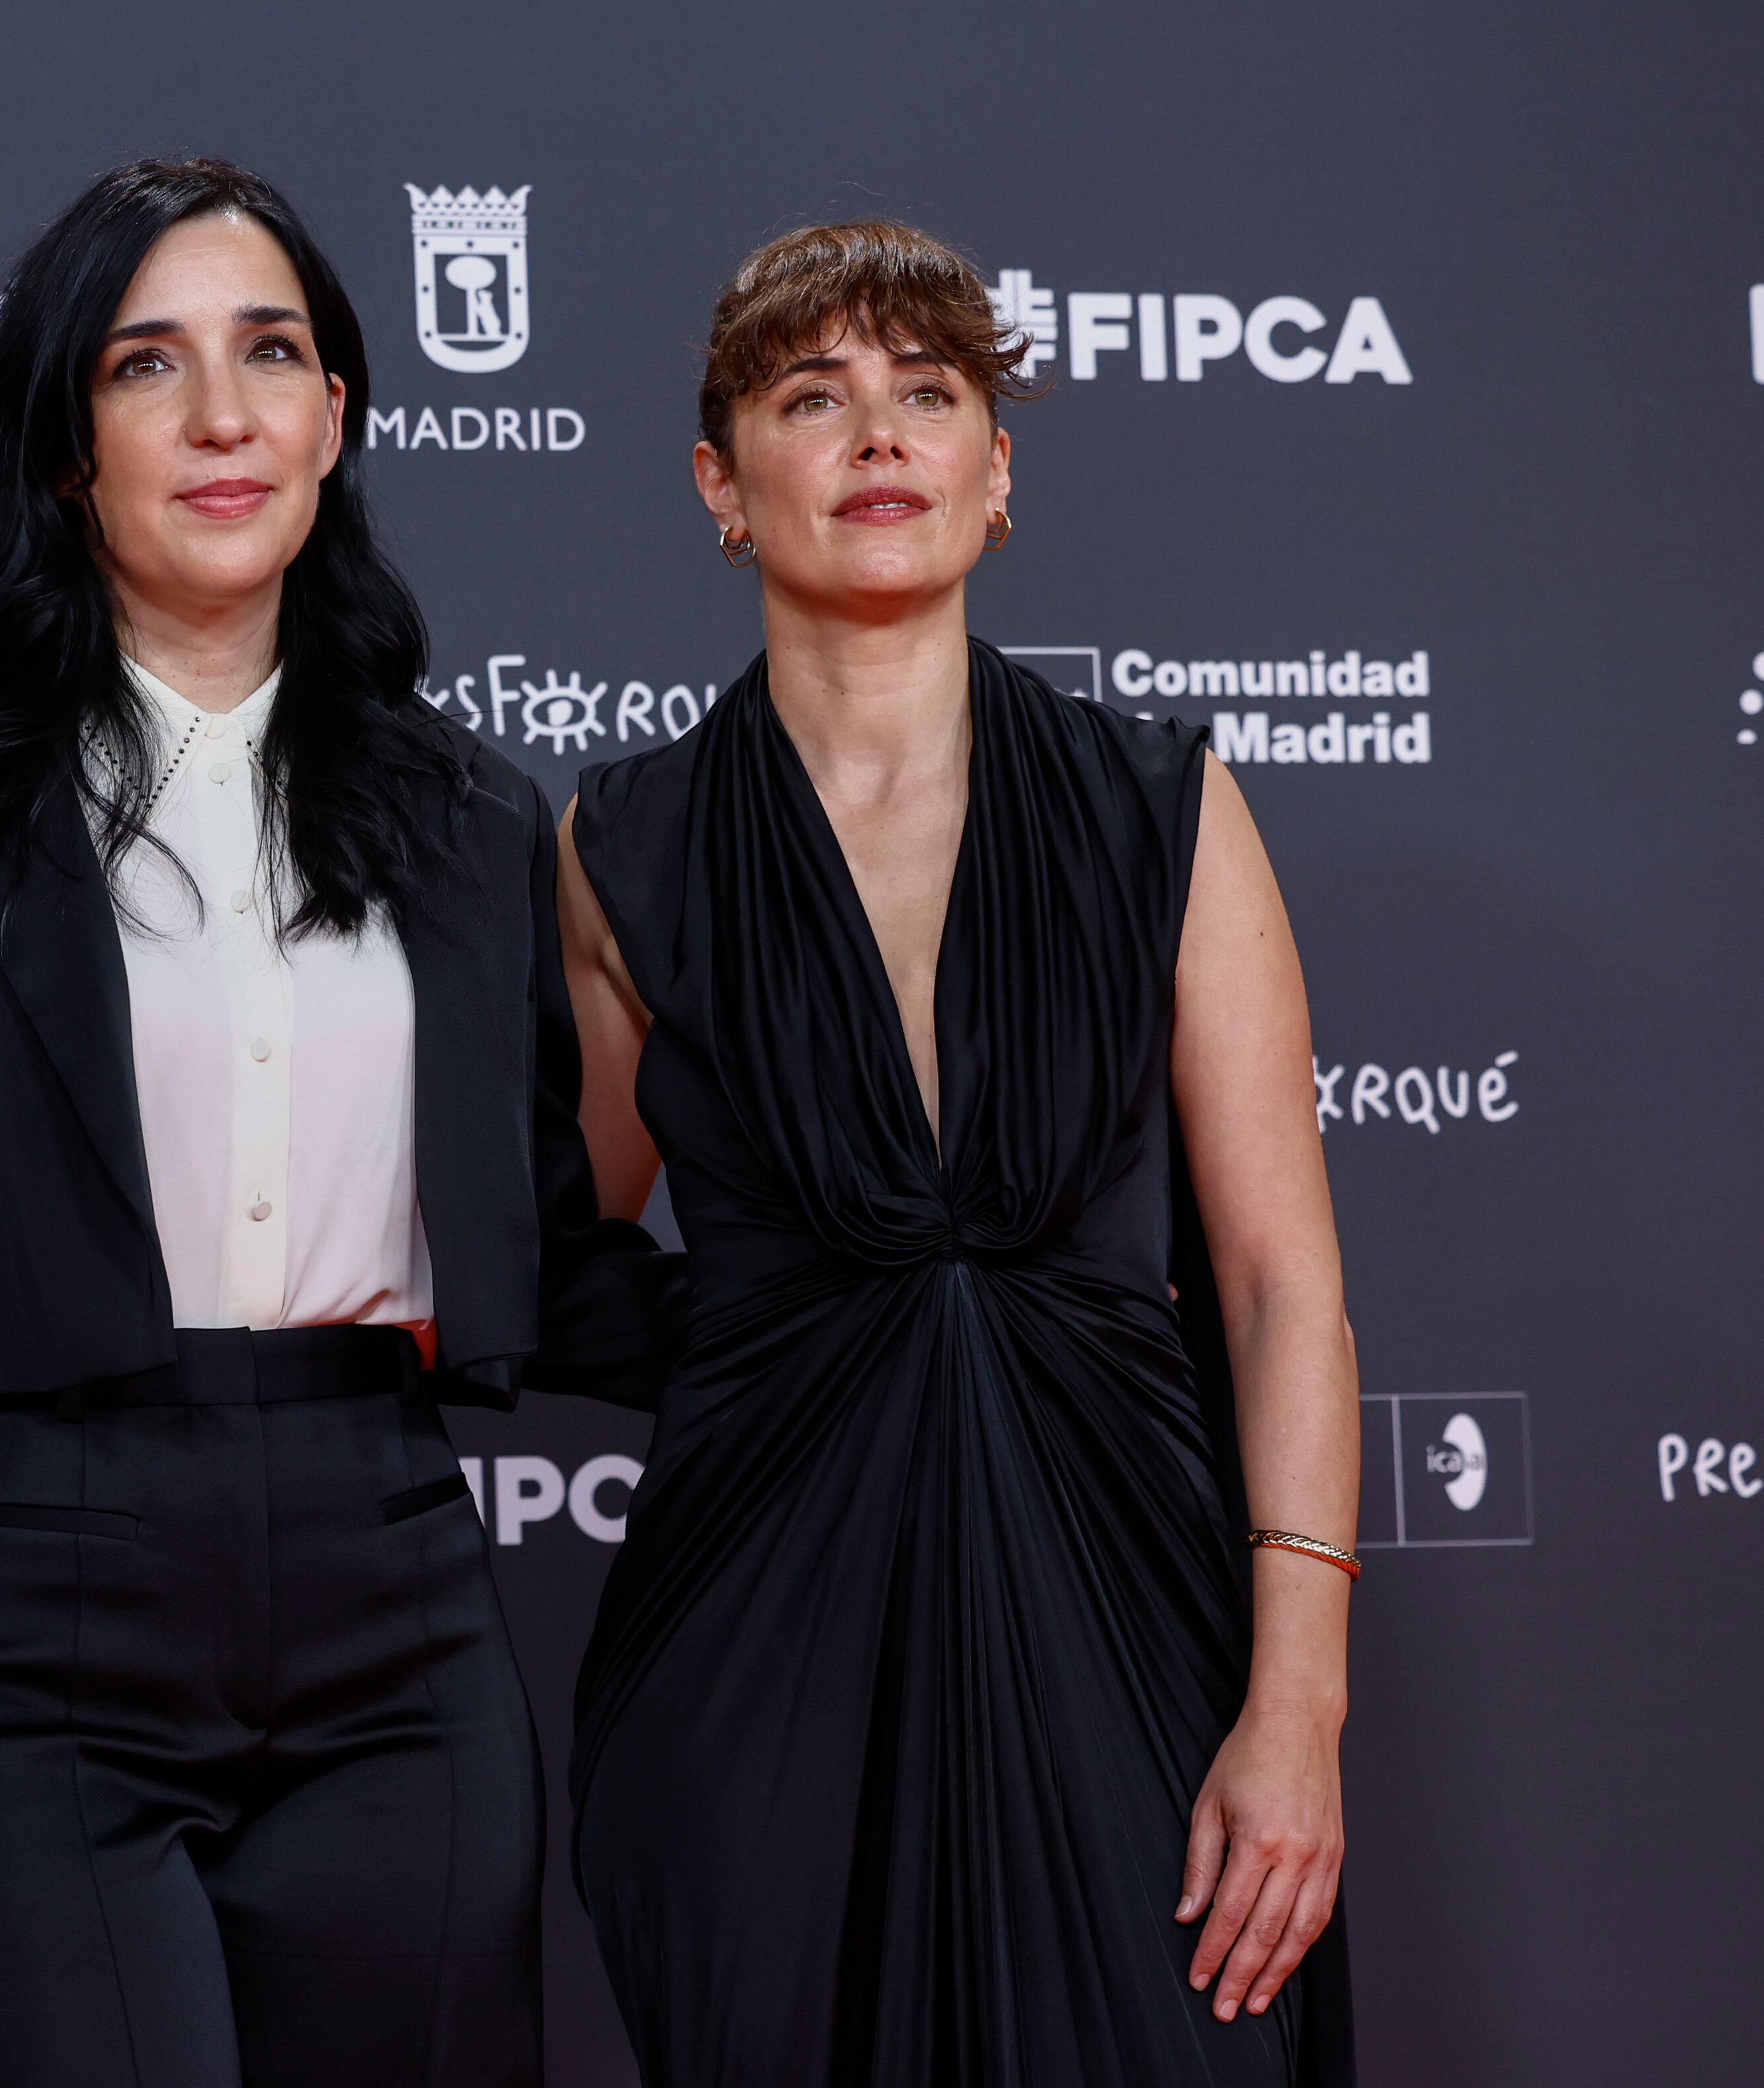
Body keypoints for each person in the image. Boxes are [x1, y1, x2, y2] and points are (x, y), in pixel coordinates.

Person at [0, 156, 667, 2088]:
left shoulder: (471, 819)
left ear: (340, 410)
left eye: (271, 355)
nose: (224, 417)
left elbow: (554, 1240)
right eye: (145, 365)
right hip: (6, 1594)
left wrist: (895, 1334)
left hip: (393, 1587)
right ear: (63, 437)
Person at [548, 220, 1359, 2086]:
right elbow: (564, 1259)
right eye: (810, 398)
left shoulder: (1164, 808)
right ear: (721, 486)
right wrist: (797, 1340)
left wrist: (1297, 1706)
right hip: (754, 1664)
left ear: (998, 475)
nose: (877, 436)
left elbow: (1278, 1285)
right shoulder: (625, 848)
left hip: (1133, 1632)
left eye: (930, 394)